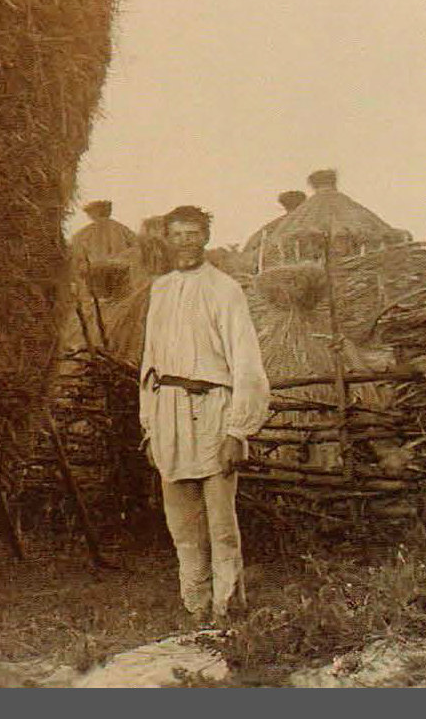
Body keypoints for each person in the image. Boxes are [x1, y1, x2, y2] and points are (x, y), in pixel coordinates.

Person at [139, 204, 269, 623]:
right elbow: (150, 364)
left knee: (220, 521)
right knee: (182, 522)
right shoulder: (160, 290)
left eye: (193, 234)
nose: (185, 243)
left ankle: (227, 605)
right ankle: (195, 606)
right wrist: (149, 425)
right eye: (176, 235)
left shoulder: (225, 289)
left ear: (206, 237)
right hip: (169, 413)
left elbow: (246, 361)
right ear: (166, 239)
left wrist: (238, 429)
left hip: (213, 409)